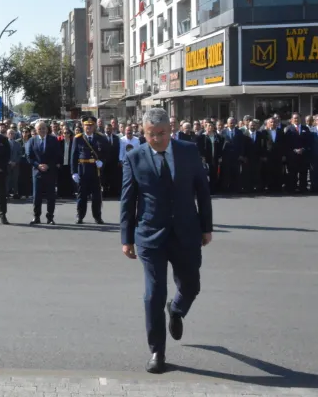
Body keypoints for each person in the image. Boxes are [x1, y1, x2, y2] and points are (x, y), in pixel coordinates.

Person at [121, 108, 213, 374]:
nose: (156, 139)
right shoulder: (134, 157)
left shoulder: (188, 151)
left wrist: (206, 227)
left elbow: (202, 192)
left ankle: (177, 309)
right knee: (153, 294)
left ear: (170, 130)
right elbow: (128, 200)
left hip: (186, 230)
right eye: (150, 135)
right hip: (150, 234)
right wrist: (126, 238)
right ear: (144, 132)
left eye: (161, 134)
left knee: (192, 285)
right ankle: (157, 352)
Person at [71, 116, 107, 224]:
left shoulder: (100, 138)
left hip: (96, 171)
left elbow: (106, 153)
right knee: (81, 195)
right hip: (83, 170)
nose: (89, 128)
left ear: (95, 126)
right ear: (83, 126)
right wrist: (74, 172)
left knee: (97, 196)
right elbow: (73, 156)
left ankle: (97, 216)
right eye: (87, 125)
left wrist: (102, 162)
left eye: (91, 126)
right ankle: (80, 216)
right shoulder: (78, 138)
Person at [27, 120, 62, 225]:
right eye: (39, 129)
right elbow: (29, 156)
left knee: (51, 196)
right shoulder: (32, 140)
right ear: (36, 130)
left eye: (43, 128)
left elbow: (57, 155)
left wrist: (48, 165)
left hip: (50, 171)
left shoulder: (53, 140)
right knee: (36, 196)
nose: (42, 130)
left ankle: (50, 217)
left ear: (47, 129)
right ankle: (36, 217)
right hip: (37, 172)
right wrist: (38, 165)